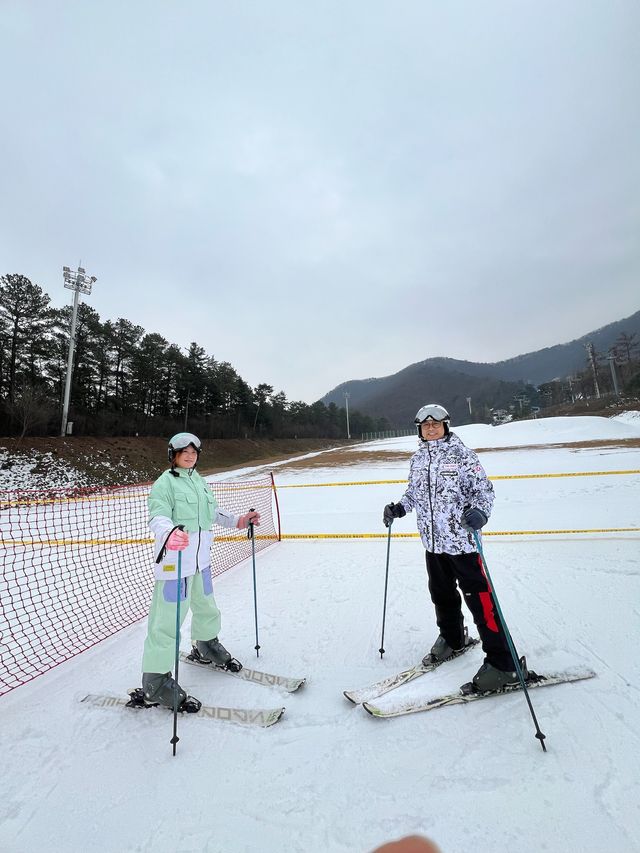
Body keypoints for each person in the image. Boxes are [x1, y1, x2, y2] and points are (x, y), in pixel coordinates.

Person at [383, 403, 525, 692]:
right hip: (434, 544)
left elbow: (483, 490)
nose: (431, 427)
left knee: (482, 604)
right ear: (420, 430)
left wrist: (481, 512)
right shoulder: (418, 459)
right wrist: (399, 507)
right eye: (425, 425)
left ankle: (504, 664)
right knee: (441, 595)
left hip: (463, 544)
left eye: (436, 423)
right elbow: (414, 493)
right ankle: (453, 639)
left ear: (446, 426)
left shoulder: (462, 455)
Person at [141, 432, 260, 709]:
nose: (190, 455)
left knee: (206, 607)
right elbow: (157, 515)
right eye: (184, 452)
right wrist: (168, 532)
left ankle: (205, 645)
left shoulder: (198, 481)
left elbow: (212, 512)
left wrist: (239, 520)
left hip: (200, 563)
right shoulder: (165, 483)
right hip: (175, 565)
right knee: (167, 621)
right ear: (173, 455)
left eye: (194, 452)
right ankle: (155, 680)